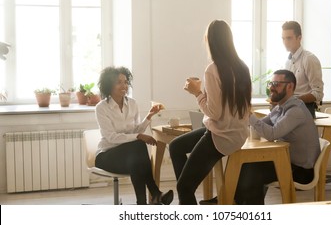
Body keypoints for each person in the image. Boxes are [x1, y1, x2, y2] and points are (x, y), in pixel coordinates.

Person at [169, 20, 252, 205]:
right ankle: (188, 184)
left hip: (220, 136)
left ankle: (187, 189)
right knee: (176, 146)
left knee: (183, 187)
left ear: (210, 41)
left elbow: (214, 113)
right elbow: (235, 106)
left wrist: (197, 92)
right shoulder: (242, 67)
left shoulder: (213, 69)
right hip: (238, 134)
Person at [234, 69, 321, 204]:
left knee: (251, 172)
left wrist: (249, 115)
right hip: (285, 161)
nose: (271, 88)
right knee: (246, 165)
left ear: (290, 86)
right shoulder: (279, 108)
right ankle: (238, 204)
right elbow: (261, 127)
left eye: (276, 84)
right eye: (271, 83)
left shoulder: (295, 110)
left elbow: (272, 133)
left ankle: (242, 207)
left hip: (301, 171)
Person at [94, 66, 174, 205]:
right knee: (138, 147)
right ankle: (154, 194)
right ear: (109, 85)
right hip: (106, 156)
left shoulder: (132, 103)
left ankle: (143, 203)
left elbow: (136, 130)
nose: (124, 85)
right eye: (119, 82)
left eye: (125, 82)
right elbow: (111, 137)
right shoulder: (101, 108)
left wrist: (149, 115)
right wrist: (138, 137)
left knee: (136, 160)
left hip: (129, 157)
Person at [281, 21, 324, 117]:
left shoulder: (309, 59)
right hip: (290, 109)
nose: (285, 42)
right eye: (283, 38)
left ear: (299, 38)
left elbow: (318, 93)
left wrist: (294, 100)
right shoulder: (288, 62)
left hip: (305, 110)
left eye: (289, 38)